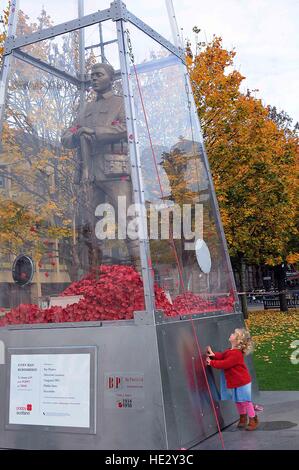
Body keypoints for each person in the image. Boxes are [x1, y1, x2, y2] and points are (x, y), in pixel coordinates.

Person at [61, 62, 139, 267]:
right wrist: (77, 135)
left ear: (110, 78)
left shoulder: (121, 103)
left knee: (128, 220)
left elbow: (127, 127)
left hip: (114, 171)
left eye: (99, 74)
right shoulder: (85, 108)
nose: (94, 78)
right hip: (89, 173)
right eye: (92, 75)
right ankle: (94, 276)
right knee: (91, 227)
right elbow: (66, 137)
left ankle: (140, 273)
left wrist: (95, 132)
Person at [206, 328, 259, 431]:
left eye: (234, 334)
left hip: (243, 382)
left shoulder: (236, 354)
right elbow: (222, 356)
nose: (231, 334)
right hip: (236, 382)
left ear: (238, 341)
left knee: (245, 401)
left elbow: (225, 363)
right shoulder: (230, 351)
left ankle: (253, 419)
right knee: (238, 401)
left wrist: (211, 363)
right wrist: (213, 355)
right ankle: (243, 417)